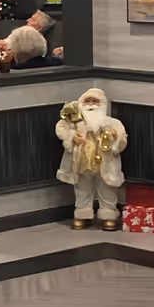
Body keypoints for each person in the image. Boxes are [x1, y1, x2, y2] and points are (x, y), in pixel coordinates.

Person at [56, 86, 128, 231]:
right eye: (87, 101)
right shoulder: (75, 122)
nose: (90, 104)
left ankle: (108, 215)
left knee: (107, 190)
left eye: (95, 101)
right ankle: (83, 214)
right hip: (82, 162)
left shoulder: (113, 123)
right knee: (82, 190)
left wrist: (115, 137)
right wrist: (71, 137)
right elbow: (61, 128)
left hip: (105, 164)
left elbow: (122, 140)